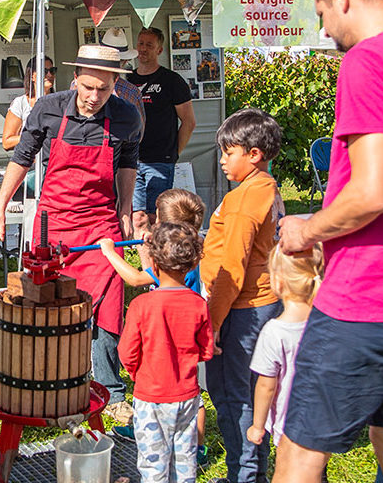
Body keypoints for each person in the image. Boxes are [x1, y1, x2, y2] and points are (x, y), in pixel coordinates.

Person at [275, 0, 383, 483]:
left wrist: (309, 227)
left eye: (322, 14)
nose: (324, 30)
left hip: (365, 299)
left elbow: (371, 191)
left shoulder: (368, 60)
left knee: (298, 452)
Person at [0, 45, 142, 424]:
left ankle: (111, 388)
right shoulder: (48, 108)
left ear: (115, 84)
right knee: (45, 299)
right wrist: (0, 206)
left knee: (108, 304)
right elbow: (21, 157)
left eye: (103, 90)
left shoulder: (126, 116)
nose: (93, 97)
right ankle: (45, 376)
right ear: (75, 79)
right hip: (53, 222)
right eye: (88, 87)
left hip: (100, 224)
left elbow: (127, 164)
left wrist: (124, 210)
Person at [200, 107, 285, 483]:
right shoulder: (265, 187)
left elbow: (231, 267)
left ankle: (244, 476)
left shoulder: (242, 202)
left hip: (241, 310)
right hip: (259, 305)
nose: (221, 160)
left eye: (228, 152)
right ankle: (254, 472)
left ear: (254, 154)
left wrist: (213, 324)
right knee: (252, 393)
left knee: (235, 397)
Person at [100, 188, 209, 462]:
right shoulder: (191, 249)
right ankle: (196, 449)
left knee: (157, 385)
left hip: (166, 325)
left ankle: (146, 431)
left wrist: (109, 253)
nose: (153, 221)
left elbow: (136, 279)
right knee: (191, 390)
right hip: (188, 327)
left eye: (156, 218)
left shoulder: (169, 265)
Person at [118, 221, 213, 482]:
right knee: (184, 460)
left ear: (154, 266)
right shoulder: (199, 304)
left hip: (150, 398)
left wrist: (138, 373)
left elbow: (126, 352)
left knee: (153, 463)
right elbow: (206, 351)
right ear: (193, 265)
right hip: (187, 397)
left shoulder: (141, 305)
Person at [128, 27, 196, 269]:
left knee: (157, 219)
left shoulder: (171, 81)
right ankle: (149, 275)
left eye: (149, 44)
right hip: (132, 161)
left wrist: (174, 152)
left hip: (160, 160)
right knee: (138, 218)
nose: (143, 48)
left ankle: (161, 268)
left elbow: (189, 121)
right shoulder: (127, 79)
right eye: (140, 43)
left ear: (159, 49)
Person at [246, 244, 324, 449]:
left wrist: (257, 426)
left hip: (289, 422)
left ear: (278, 281)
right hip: (322, 419)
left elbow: (266, 385)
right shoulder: (325, 324)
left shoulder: (274, 332)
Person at [71, 28, 145, 130]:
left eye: (102, 89)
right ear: (124, 62)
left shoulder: (131, 91)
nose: (95, 96)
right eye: (89, 87)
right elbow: (138, 131)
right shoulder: (132, 91)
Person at [1, 56, 56, 151]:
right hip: (30, 163)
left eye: (52, 70)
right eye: (44, 71)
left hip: (56, 162)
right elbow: (7, 142)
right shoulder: (21, 103)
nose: (50, 75)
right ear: (32, 76)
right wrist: (34, 136)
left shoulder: (61, 102)